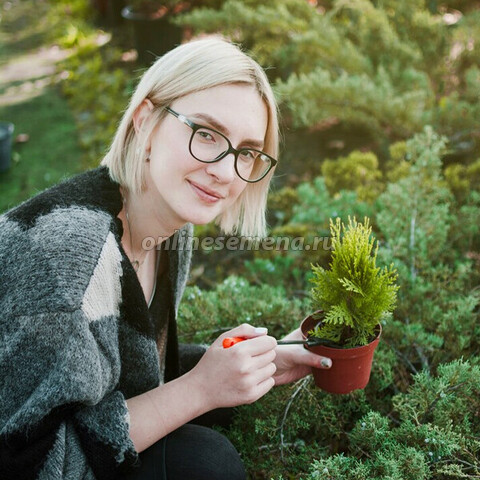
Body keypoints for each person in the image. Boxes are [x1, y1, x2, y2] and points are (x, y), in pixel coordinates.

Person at [0, 37, 332, 480]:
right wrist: (199, 389)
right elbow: (35, 463)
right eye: (206, 133)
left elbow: (131, 384)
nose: (225, 170)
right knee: (205, 463)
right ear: (145, 122)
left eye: (247, 151)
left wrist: (263, 363)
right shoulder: (69, 261)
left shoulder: (170, 229)